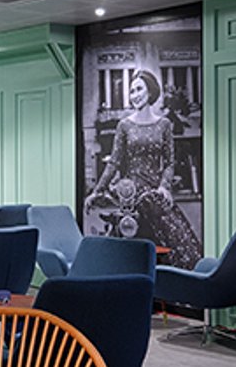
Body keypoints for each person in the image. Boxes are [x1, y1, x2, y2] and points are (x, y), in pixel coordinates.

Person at [85, 69, 201, 267]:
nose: (135, 95)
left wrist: (164, 187)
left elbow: (169, 162)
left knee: (179, 247)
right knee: (129, 249)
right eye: (132, 91)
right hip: (131, 195)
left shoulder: (164, 124)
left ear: (150, 92)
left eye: (139, 89)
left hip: (156, 194)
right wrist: (97, 191)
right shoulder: (124, 125)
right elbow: (114, 162)